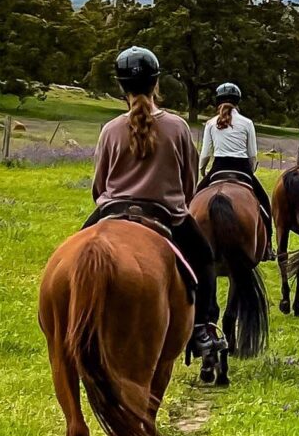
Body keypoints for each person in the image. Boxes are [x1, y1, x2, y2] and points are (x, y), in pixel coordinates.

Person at [87, 46, 226, 384]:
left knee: (75, 250)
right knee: (204, 259)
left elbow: (98, 185)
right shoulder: (177, 127)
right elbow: (189, 183)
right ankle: (203, 329)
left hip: (112, 212)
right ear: (156, 83)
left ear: (121, 87)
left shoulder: (110, 130)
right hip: (168, 217)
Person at [198, 81, 270, 232]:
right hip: (242, 168)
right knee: (264, 202)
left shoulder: (211, 124)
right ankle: (269, 243)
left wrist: (202, 170)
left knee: (193, 199)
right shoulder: (247, 123)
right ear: (238, 101)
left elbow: (205, 155)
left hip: (218, 168)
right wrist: (250, 172)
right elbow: (252, 155)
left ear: (218, 101)